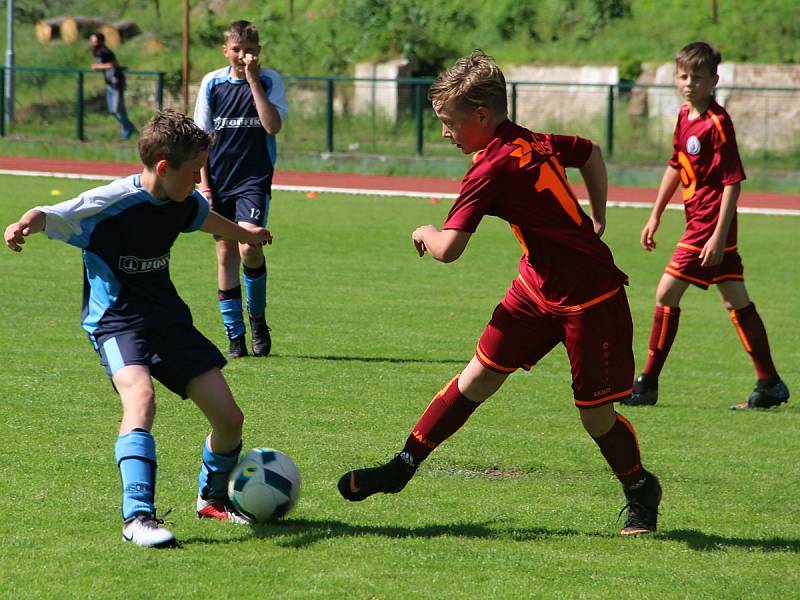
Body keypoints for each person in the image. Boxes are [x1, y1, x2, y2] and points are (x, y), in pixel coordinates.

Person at [337, 51, 662, 535]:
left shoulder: (488, 168)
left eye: (449, 122)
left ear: (482, 117)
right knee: (477, 379)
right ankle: (401, 467)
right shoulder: (534, 140)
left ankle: (640, 489)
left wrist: (424, 229)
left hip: (591, 298)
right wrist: (599, 215)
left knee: (595, 417)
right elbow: (591, 151)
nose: (445, 132)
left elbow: (447, 250)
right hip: (535, 289)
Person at [4, 110, 272, 548]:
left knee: (229, 418)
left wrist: (245, 233)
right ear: (164, 168)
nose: (200, 178)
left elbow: (206, 220)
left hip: (167, 318)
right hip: (115, 321)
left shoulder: (183, 200)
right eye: (194, 171)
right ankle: (138, 518)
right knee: (141, 399)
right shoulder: (110, 203)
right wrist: (23, 226)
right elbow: (52, 212)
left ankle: (212, 499)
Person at [622, 42, 789, 410]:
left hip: (709, 226)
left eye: (697, 77)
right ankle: (770, 382)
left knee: (666, 294)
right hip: (699, 223)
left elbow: (733, 182)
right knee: (735, 298)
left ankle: (647, 383)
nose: (689, 83)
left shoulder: (718, 122)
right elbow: (675, 165)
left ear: (714, 79)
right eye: (683, 76)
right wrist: (656, 213)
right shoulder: (684, 115)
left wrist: (717, 236)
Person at [194, 20, 288, 359]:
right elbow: (201, 139)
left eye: (249, 50)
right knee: (225, 254)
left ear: (258, 52)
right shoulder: (212, 83)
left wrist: (252, 82)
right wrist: (204, 187)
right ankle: (235, 337)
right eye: (236, 49)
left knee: (249, 246)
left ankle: (258, 321)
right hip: (218, 181)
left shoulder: (269, 81)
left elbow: (272, 126)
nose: (242, 55)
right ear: (226, 51)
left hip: (253, 179)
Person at [90, 32, 137, 140]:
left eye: (95, 41)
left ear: (101, 41)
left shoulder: (105, 51)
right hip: (109, 83)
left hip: (116, 83)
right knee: (112, 110)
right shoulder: (95, 51)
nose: (93, 43)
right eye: (92, 41)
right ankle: (128, 127)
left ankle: (127, 129)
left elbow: (112, 65)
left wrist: (97, 66)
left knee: (117, 109)